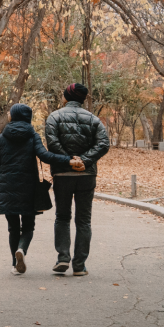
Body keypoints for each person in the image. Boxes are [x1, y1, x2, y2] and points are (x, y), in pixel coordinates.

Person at [0, 104, 78, 275]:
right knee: (28, 226)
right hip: (29, 187)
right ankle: (22, 249)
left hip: (7, 187)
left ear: (14, 116)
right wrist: (68, 160)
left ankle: (14, 264)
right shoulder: (32, 136)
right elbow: (45, 156)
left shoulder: (2, 138)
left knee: (13, 227)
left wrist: (2, 180)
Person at [44, 83, 110, 277]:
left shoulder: (54, 117)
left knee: (62, 217)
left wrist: (70, 161)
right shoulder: (93, 119)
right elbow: (104, 144)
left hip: (62, 174)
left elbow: (52, 143)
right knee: (84, 220)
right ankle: (79, 266)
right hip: (86, 175)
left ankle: (63, 258)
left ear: (66, 97)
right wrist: (85, 160)